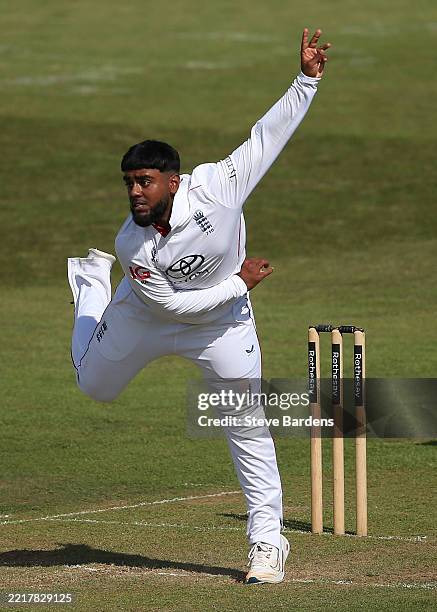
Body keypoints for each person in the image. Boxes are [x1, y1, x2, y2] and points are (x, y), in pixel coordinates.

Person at [67, 28, 330, 584]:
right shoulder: (131, 244)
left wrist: (305, 81)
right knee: (95, 387)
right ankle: (92, 284)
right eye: (129, 184)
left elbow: (267, 138)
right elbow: (177, 309)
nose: (135, 192)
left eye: (145, 181)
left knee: (245, 424)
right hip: (147, 315)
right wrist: (240, 281)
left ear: (173, 180)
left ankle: (267, 543)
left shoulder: (219, 187)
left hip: (222, 328)